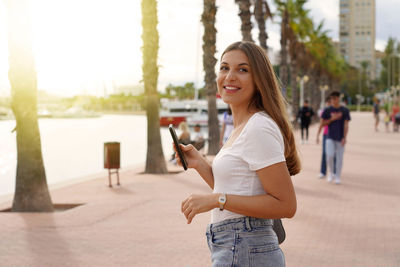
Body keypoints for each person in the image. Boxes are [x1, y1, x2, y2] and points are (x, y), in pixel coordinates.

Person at [173, 41, 299, 266]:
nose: (230, 76)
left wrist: (215, 200)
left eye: (243, 69)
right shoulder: (241, 127)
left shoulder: (259, 127)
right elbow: (236, 189)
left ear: (259, 80)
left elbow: (286, 205)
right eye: (224, 68)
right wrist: (200, 163)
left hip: (245, 246)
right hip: (236, 246)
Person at [320, 91, 351, 184]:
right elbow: (322, 124)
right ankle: (331, 173)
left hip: (340, 137)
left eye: (335, 98)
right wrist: (332, 119)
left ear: (338, 99)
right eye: (332, 99)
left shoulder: (345, 110)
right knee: (329, 155)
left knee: (339, 157)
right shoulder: (327, 110)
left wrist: (344, 137)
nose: (333, 100)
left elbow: (346, 125)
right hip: (330, 136)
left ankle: (337, 176)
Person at [316, 96, 335, 179]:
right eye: (328, 103)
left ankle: (333, 171)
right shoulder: (324, 112)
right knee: (324, 153)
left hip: (334, 135)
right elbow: (321, 124)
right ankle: (323, 172)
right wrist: (317, 135)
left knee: (333, 153)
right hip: (326, 134)